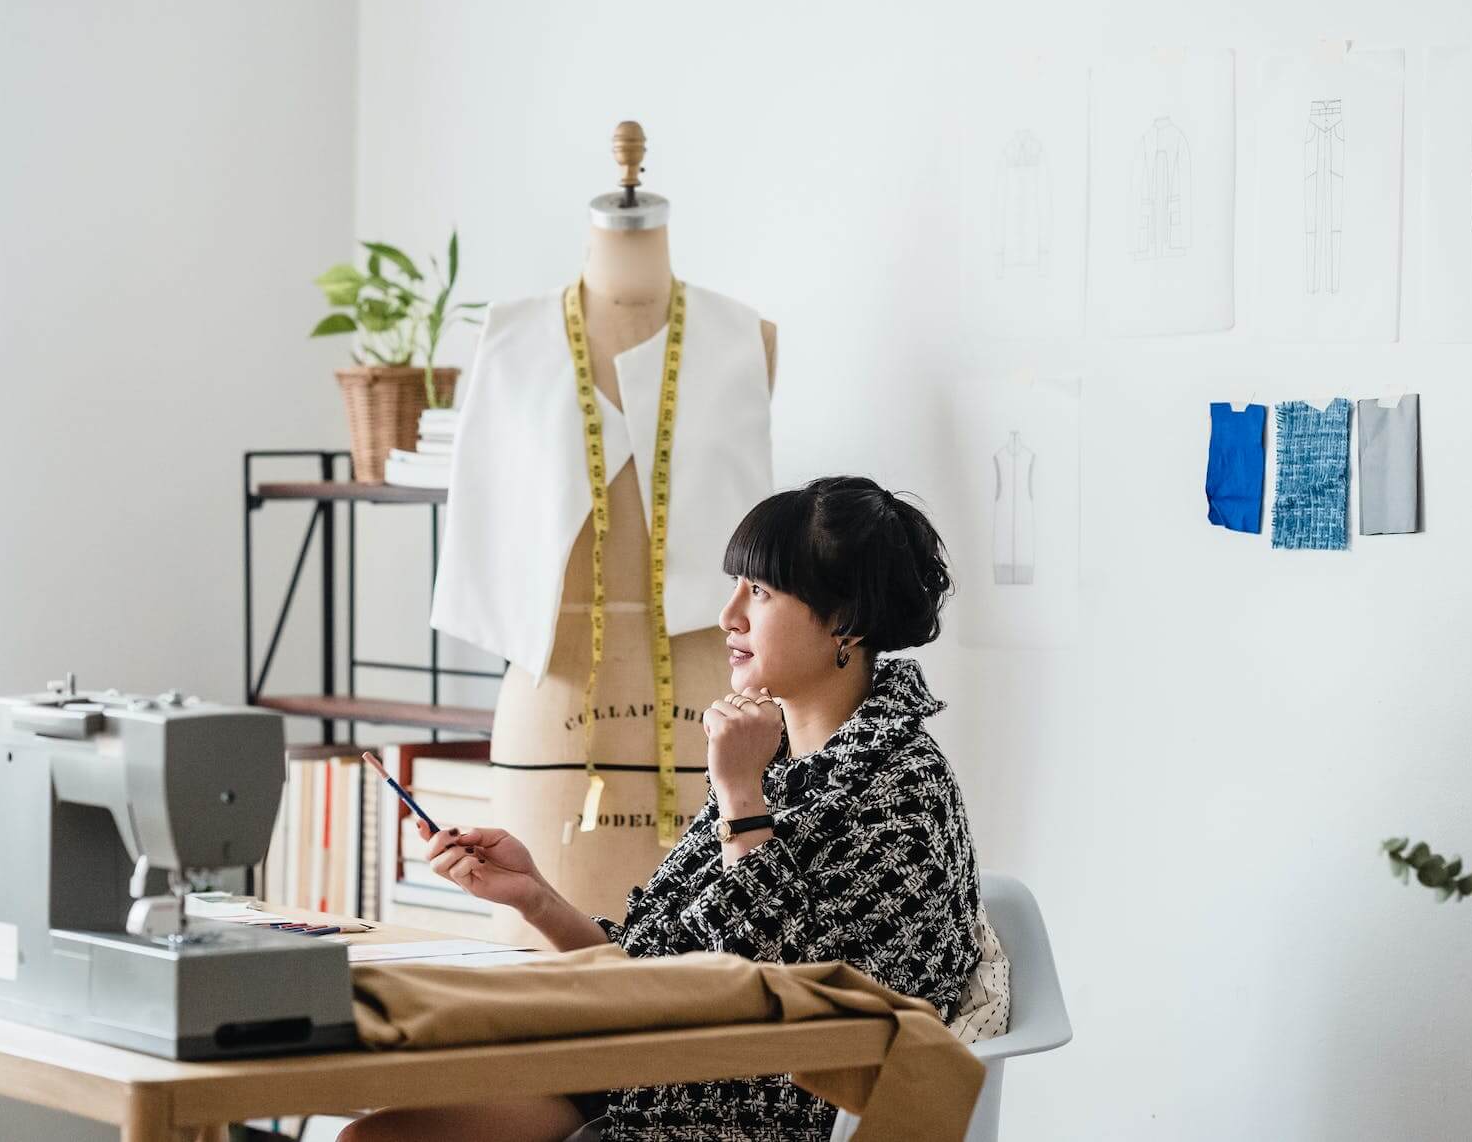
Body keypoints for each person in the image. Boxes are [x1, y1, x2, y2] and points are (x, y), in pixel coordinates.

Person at [341, 476, 1002, 1142]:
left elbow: (770, 1001)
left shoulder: (902, 788)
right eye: (737, 585)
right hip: (642, 1073)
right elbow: (658, 975)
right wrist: (532, 895)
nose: (729, 616)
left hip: (745, 1114)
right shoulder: (768, 757)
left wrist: (740, 797)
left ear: (847, 623)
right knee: (374, 1138)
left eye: (761, 592)